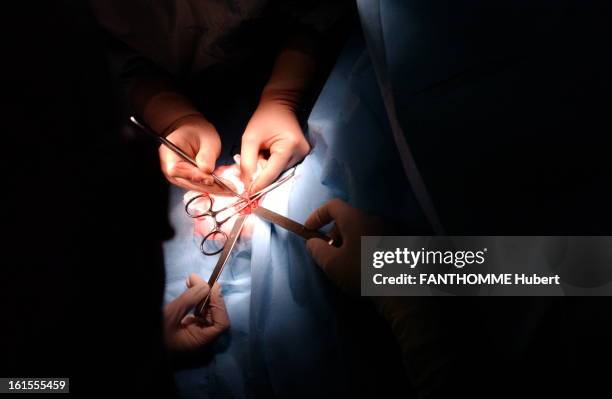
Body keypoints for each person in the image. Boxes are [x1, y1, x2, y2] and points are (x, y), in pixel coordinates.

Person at [91, 0, 353, 195]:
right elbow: (121, 62)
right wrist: (176, 118)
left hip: (312, 57)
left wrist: (283, 93)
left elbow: (320, 10)